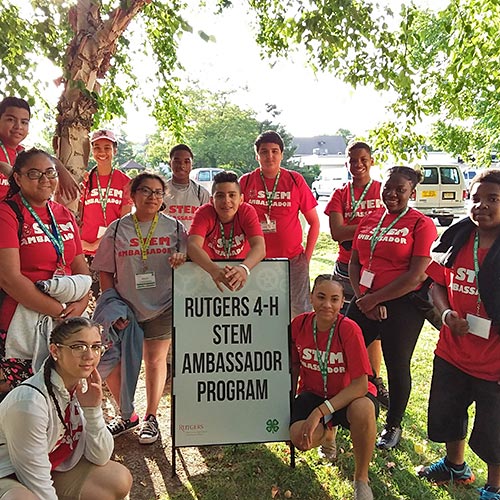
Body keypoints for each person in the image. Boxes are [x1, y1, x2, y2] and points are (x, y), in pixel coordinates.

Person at [417, 169, 500, 500]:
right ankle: (455, 465)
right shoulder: (458, 236)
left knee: (495, 429)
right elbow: (436, 282)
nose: (481, 206)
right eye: (476, 198)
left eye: (492, 199)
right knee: (447, 412)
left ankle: (495, 486)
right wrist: (447, 313)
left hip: (494, 362)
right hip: (452, 350)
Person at [92, 172, 187, 444]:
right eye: (146, 191)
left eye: (158, 192)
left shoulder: (176, 228)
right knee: (112, 362)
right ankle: (127, 414)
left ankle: (151, 417)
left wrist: (184, 257)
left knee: (155, 361)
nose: (152, 197)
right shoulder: (118, 228)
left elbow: (189, 261)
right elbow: (105, 271)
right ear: (132, 195)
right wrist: (112, 305)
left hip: (163, 305)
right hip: (125, 308)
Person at [347, 166, 437, 450]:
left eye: (400, 189)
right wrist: (364, 297)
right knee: (347, 352)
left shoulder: (421, 224)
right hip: (364, 299)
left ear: (412, 192)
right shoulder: (369, 219)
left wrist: (375, 300)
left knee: (397, 364)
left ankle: (393, 425)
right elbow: (354, 263)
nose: (392, 194)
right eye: (388, 188)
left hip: (403, 305)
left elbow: (417, 275)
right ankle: (350, 408)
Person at [0, 317, 132, 500]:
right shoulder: (29, 403)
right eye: (78, 346)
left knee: (117, 479)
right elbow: (35, 479)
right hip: (7, 474)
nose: (90, 356)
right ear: (55, 350)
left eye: (96, 347)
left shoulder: (78, 387)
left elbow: (100, 457)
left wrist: (93, 411)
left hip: (48, 468)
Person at [0, 149, 89, 396]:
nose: (44, 179)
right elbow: (9, 279)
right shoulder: (7, 213)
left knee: (63, 397)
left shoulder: (64, 214)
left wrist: (80, 303)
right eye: (34, 173)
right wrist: (58, 311)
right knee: (28, 402)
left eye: (50, 173)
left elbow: (81, 268)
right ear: (18, 178)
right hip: (21, 324)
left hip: (66, 321)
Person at [290, 275, 378, 500]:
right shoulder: (299, 324)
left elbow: (360, 384)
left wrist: (320, 412)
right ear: (311, 298)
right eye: (320, 297)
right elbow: (292, 366)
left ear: (342, 303)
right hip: (314, 393)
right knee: (300, 438)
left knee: (363, 409)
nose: (326, 305)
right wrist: (290, 402)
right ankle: (328, 434)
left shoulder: (349, 329)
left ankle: (361, 479)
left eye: (334, 299)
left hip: (348, 396)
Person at [325, 141, 388, 409]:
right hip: (344, 269)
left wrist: (355, 228)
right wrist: (369, 227)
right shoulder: (340, 194)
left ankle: (374, 381)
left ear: (371, 161)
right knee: (341, 326)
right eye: (352, 160)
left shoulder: (383, 190)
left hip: (375, 271)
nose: (357, 165)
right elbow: (336, 233)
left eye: (363, 159)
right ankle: (343, 380)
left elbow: (390, 226)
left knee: (373, 331)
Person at [240, 130, 320, 317]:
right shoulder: (246, 181)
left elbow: (314, 222)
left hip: (292, 260)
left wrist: (306, 258)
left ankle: (296, 346)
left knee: (299, 313)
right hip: (255, 260)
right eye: (264, 151)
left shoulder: (294, 180)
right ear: (257, 155)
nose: (270, 156)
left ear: (282, 154)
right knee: (256, 309)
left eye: (275, 151)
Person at [188, 170, 265, 291]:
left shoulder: (247, 211)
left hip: (241, 273)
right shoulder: (204, 212)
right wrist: (213, 270)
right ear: (211, 200)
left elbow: (260, 247)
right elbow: (192, 246)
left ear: (241, 199)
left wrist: (244, 268)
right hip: (209, 273)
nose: (226, 201)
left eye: (232, 195)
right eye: (220, 196)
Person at [79, 129, 132, 298]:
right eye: (97, 147)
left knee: (110, 300)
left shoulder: (125, 182)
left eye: (107, 147)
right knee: (87, 301)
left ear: (115, 150)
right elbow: (75, 216)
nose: (102, 152)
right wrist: (85, 245)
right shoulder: (84, 181)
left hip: (111, 250)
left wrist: (97, 244)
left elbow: (123, 222)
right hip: (84, 251)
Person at [0, 96, 79, 203]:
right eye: (11, 120)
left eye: (24, 122)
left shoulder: (22, 155)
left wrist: (59, 166)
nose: (18, 126)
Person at [163, 143, 210, 230]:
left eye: (186, 161)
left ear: (192, 165)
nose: (182, 166)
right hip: (167, 242)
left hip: (192, 241)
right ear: (170, 163)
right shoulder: (161, 191)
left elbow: (207, 223)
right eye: (177, 161)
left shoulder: (201, 193)